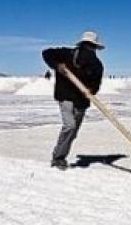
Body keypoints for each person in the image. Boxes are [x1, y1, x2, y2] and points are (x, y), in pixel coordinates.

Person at [42, 31, 105, 170]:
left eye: (91, 46)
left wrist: (91, 91)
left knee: (73, 132)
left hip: (82, 101)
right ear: (82, 44)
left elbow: (96, 84)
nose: (88, 49)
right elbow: (46, 53)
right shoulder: (67, 54)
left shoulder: (96, 65)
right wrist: (57, 66)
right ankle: (58, 158)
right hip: (65, 95)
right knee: (69, 126)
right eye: (86, 45)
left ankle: (60, 155)